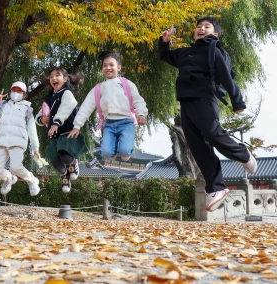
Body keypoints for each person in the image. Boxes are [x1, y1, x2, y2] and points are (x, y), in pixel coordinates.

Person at [158, 16, 257, 212]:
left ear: (215, 34)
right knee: (197, 145)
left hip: (205, 97)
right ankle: (217, 188)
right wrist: (164, 42)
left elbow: (226, 78)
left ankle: (243, 154)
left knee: (212, 133)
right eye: (198, 27)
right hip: (186, 100)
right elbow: (165, 56)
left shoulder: (214, 50)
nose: (201, 29)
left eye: (207, 26)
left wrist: (238, 101)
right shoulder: (185, 52)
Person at [68, 51, 148, 163]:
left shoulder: (126, 84)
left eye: (111, 65)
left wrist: (141, 114)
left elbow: (138, 100)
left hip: (126, 122)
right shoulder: (99, 88)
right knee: (106, 153)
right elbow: (86, 107)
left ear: (119, 67)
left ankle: (125, 153)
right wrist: (77, 125)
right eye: (105, 65)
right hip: (109, 124)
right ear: (102, 69)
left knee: (124, 152)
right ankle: (112, 152)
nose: (108, 68)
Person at [0, 82, 41, 196]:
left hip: (18, 142)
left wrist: (35, 148)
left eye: (19, 91)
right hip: (2, 141)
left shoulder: (27, 109)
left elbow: (32, 129)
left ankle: (32, 179)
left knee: (15, 167)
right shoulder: (3, 106)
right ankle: (9, 178)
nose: (16, 93)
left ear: (24, 94)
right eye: (14, 90)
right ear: (10, 92)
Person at [35, 67, 88, 193]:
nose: (53, 78)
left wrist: (56, 123)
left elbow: (67, 106)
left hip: (67, 133)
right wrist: (42, 119)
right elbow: (40, 113)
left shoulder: (67, 93)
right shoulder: (49, 98)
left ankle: (73, 163)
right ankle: (65, 175)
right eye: (51, 76)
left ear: (65, 79)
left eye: (57, 75)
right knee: (55, 162)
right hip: (55, 136)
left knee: (66, 158)